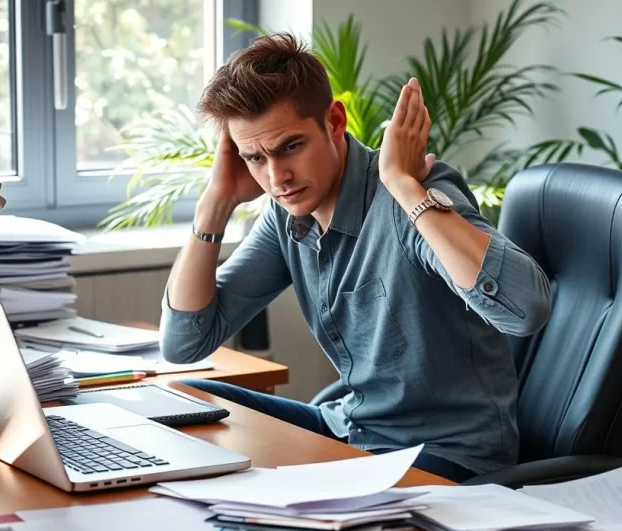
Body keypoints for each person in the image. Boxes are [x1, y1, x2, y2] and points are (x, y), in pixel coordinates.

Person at [161, 33, 551, 483]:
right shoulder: (286, 217)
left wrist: (403, 185)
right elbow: (184, 343)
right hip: (351, 428)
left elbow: (526, 311)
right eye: (254, 157)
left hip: (445, 452)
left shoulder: (417, 197)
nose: (277, 177)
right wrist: (216, 201)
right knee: (184, 401)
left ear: (334, 120)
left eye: (290, 146)